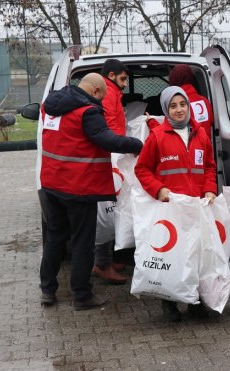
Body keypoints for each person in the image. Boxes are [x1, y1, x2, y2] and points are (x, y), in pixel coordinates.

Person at [39, 72, 143, 311]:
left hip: (51, 185)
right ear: (95, 91)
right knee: (82, 241)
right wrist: (137, 144)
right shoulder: (87, 111)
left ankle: (47, 290)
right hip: (79, 187)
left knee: (55, 237)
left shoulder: (50, 106)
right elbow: (107, 140)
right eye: (101, 97)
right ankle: (82, 295)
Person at [134, 86, 217, 322]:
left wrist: (210, 190)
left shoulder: (200, 134)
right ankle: (169, 303)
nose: (179, 110)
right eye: (173, 106)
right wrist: (158, 189)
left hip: (197, 207)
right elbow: (142, 168)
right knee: (173, 256)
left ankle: (195, 301)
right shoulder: (158, 136)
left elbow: (210, 166)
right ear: (165, 109)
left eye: (183, 104)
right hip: (170, 208)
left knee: (197, 255)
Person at [91, 59, 131, 284]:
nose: (126, 84)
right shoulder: (107, 93)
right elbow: (105, 127)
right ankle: (102, 264)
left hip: (114, 154)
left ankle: (106, 260)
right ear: (112, 75)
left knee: (111, 211)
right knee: (106, 213)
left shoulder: (113, 93)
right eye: (123, 79)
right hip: (110, 155)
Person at [165, 64, 214, 140]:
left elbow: (166, 131)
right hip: (205, 149)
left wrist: (150, 122)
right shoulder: (205, 101)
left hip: (186, 150)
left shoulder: (177, 104)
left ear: (174, 79)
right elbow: (210, 122)